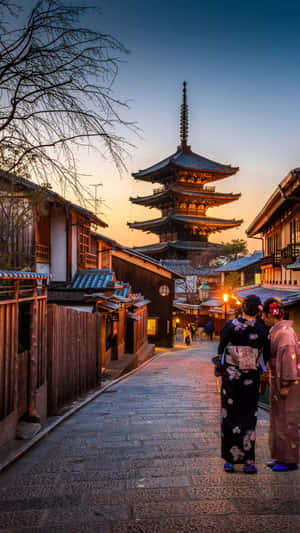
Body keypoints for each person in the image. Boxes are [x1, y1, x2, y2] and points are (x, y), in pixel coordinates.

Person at [216, 295, 269, 474]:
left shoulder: (230, 326)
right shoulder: (262, 330)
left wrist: (225, 366)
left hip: (231, 377)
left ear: (243, 308)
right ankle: (248, 462)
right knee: (248, 416)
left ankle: (230, 461)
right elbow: (265, 355)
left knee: (229, 415)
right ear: (258, 310)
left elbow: (221, 349)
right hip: (250, 378)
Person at [262, 297, 300, 472]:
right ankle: (279, 455)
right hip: (277, 378)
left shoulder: (284, 333)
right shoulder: (277, 330)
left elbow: (289, 357)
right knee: (278, 418)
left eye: (264, 314)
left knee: (287, 419)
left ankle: (289, 459)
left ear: (272, 313)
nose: (263, 318)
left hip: (287, 382)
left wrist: (286, 382)